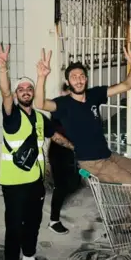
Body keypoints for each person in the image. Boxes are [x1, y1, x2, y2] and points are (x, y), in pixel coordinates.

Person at [33, 48, 131, 232]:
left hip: (107, 156)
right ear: (68, 82)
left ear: (86, 79)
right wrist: (41, 76)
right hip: (92, 163)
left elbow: (126, 85)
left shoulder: (94, 95)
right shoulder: (63, 105)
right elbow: (40, 104)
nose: (79, 79)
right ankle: (130, 222)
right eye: (74, 77)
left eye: (81, 76)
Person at [0, 43, 74, 260]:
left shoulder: (40, 117)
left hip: (35, 181)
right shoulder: (11, 115)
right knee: (14, 226)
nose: (26, 91)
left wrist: (76, 148)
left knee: (33, 222)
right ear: (17, 94)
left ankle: (28, 258)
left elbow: (56, 137)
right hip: (14, 183)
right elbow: (5, 93)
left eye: (30, 88)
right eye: (22, 89)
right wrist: (3, 68)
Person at [47, 85, 82, 234]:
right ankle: (54, 221)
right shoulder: (57, 109)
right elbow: (56, 134)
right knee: (60, 186)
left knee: (74, 183)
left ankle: (58, 192)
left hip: (72, 153)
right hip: (59, 152)